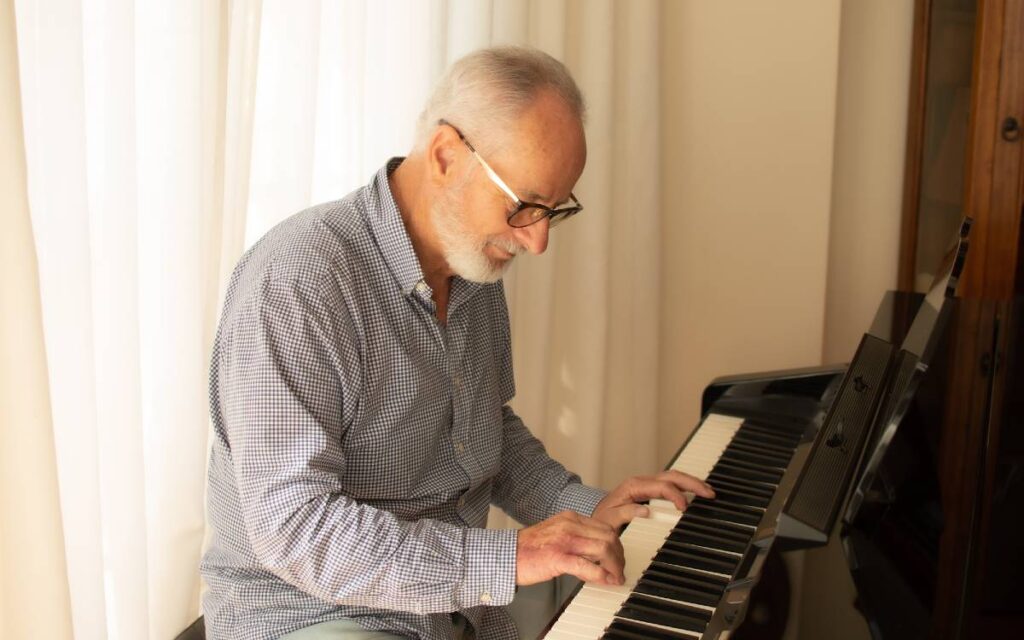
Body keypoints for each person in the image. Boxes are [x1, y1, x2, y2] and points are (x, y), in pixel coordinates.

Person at [200, 46, 713, 640]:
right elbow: (296, 528)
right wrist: (512, 557)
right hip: (313, 617)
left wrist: (582, 508)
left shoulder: (472, 266)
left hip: (452, 613)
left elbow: (481, 435)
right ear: (446, 154)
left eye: (555, 210)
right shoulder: (299, 282)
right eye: (524, 206)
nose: (539, 241)